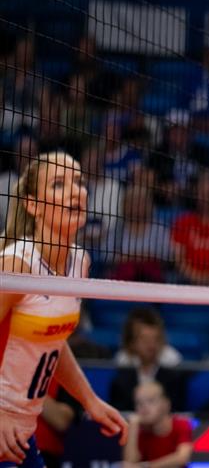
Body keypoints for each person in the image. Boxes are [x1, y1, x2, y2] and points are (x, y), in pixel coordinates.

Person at [0, 153, 127, 467]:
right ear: (33, 205)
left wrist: (90, 400)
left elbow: (51, 342)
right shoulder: (16, 264)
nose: (75, 192)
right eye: (58, 184)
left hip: (21, 430)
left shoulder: (79, 261)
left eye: (79, 182)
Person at [109, 308, 188, 412]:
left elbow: (176, 410)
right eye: (144, 339)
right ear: (132, 343)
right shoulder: (121, 375)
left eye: (156, 339)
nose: (151, 345)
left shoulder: (174, 376)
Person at [121, 381, 192, 468]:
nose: (144, 407)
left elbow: (182, 458)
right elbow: (129, 463)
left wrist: (147, 466)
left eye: (151, 401)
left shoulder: (181, 424)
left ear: (166, 404)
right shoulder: (139, 431)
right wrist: (133, 427)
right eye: (139, 403)